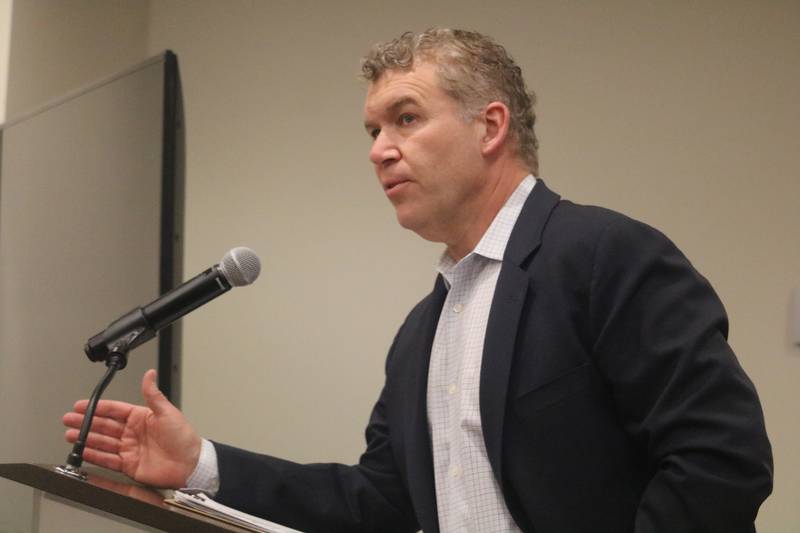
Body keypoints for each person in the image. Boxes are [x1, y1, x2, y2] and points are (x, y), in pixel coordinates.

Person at [63, 28, 773, 533]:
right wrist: (202, 463)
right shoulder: (420, 334)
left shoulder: (605, 254)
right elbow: (380, 502)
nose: (379, 151)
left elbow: (719, 460)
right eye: (372, 130)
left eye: (405, 118)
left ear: (490, 126)